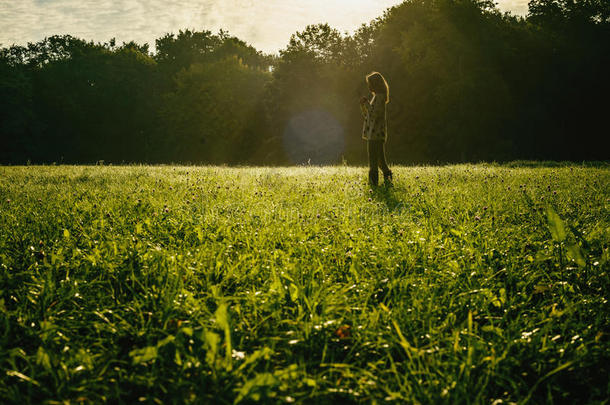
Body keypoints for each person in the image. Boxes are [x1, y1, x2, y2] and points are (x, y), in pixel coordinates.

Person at [360, 71, 392, 187]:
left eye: (370, 84)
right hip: (374, 133)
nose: (369, 86)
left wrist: (367, 104)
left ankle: (373, 185)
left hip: (376, 134)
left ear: (376, 85)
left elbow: (374, 114)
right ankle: (388, 180)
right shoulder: (376, 98)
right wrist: (363, 105)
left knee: (373, 160)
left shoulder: (379, 97)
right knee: (380, 160)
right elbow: (368, 116)